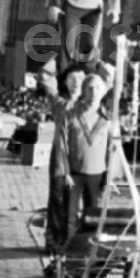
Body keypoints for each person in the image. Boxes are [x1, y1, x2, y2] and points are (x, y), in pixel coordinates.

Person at [40, 63, 87, 254]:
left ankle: (71, 242)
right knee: (57, 200)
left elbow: (108, 79)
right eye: (72, 79)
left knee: (75, 204)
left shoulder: (90, 105)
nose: (77, 83)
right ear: (65, 83)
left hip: (81, 161)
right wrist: (58, 57)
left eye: (81, 79)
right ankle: (53, 241)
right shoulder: (59, 103)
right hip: (60, 160)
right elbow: (44, 76)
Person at [66, 74, 112, 238]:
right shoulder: (72, 114)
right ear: (84, 91)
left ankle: (87, 247)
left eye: (98, 88)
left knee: (93, 215)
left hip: (97, 174)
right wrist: (64, 171)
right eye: (90, 88)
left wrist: (110, 174)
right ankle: (67, 247)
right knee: (69, 214)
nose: (94, 92)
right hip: (74, 172)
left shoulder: (107, 119)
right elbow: (62, 145)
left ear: (103, 92)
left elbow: (111, 149)